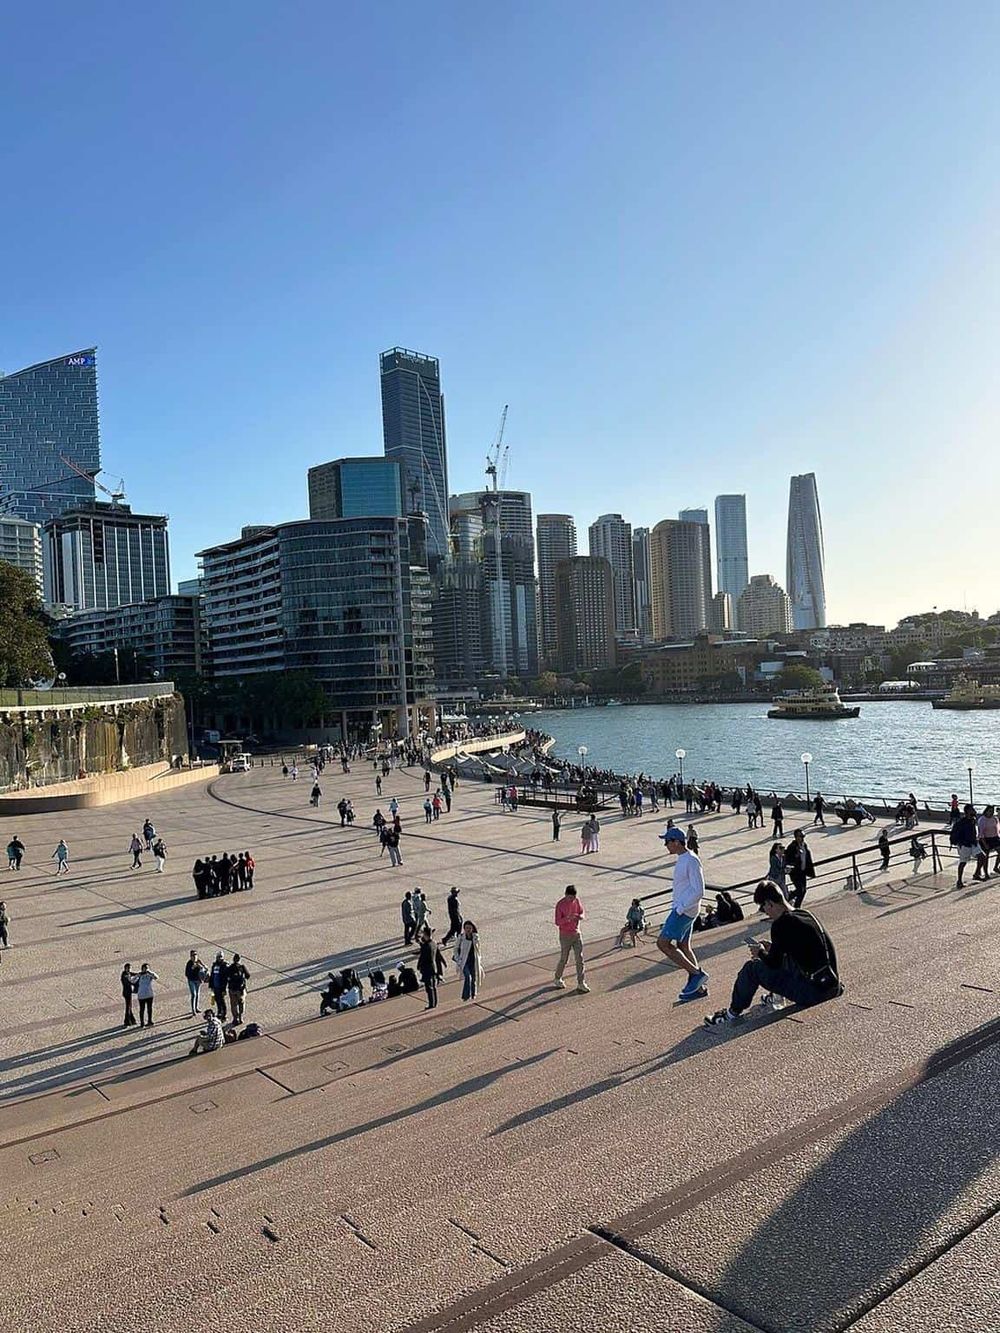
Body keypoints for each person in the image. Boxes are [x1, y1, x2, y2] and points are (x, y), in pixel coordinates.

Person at [704, 879, 843, 1026]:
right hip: (832, 985)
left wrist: (760, 952)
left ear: (769, 903)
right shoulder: (805, 914)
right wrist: (774, 947)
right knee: (784, 960)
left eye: (764, 908)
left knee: (752, 968)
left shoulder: (780, 924)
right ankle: (776, 997)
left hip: (813, 993)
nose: (766, 913)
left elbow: (773, 963)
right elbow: (800, 950)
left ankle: (731, 1014)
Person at [657, 826, 708, 1001]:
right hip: (685, 909)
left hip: (684, 911)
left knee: (663, 943)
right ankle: (698, 988)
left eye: (667, 841)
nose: (666, 845)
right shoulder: (683, 858)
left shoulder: (691, 860)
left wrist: (680, 908)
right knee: (683, 946)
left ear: (677, 842)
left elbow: (699, 890)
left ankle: (696, 975)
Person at [553, 885, 589, 993]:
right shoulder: (560, 904)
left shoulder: (577, 901)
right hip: (565, 935)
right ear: (566, 895)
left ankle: (581, 982)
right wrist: (567, 919)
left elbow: (582, 912)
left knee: (580, 958)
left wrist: (579, 916)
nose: (572, 900)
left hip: (576, 933)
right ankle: (557, 977)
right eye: (570, 898)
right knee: (564, 958)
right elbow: (557, 922)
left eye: (573, 898)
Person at [784, 829, 816, 909]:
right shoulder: (792, 847)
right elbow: (788, 859)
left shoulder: (804, 845)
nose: (802, 838)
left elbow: (807, 857)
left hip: (803, 872)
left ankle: (796, 906)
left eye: (803, 836)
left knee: (803, 890)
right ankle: (789, 900)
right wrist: (796, 856)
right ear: (796, 837)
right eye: (800, 836)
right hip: (795, 873)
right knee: (800, 890)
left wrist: (810, 871)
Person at [951, 804, 979, 888]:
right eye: (972, 809)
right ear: (968, 811)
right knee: (963, 862)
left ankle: (976, 874)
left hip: (973, 843)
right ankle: (959, 881)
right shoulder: (961, 822)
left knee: (982, 857)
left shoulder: (973, 820)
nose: (974, 811)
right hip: (964, 845)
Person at [454, 920, 484, 1001]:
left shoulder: (475, 937)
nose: (468, 930)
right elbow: (456, 949)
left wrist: (479, 959)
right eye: (466, 928)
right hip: (464, 961)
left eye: (470, 928)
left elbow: (478, 949)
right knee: (468, 977)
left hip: (473, 960)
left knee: (474, 977)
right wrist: (458, 959)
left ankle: (473, 993)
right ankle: (465, 995)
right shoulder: (461, 937)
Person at [975, 804, 1000, 881]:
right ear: (986, 811)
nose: (991, 813)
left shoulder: (995, 818)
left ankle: (996, 867)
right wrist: (985, 844)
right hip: (985, 839)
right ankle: (985, 873)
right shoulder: (982, 820)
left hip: (995, 838)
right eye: (990, 811)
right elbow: (981, 833)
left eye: (992, 811)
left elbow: (997, 828)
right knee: (985, 857)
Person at [417, 925, 439, 1009]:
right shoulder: (433, 943)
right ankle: (435, 1002)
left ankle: (431, 1003)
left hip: (427, 969)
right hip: (433, 967)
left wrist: (419, 966)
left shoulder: (426, 946)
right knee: (433, 986)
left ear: (426, 935)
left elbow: (423, 958)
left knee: (429, 987)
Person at [227, 954, 250, 1024]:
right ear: (239, 960)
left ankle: (235, 1018)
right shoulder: (242, 967)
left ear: (233, 959)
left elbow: (226, 977)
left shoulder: (230, 968)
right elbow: (248, 976)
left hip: (232, 989)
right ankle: (240, 1017)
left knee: (233, 1005)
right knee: (241, 1003)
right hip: (240, 990)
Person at [185, 950, 208, 1016]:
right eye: (193, 955)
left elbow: (204, 968)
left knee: (197, 994)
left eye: (195, 954)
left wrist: (203, 967)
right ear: (190, 956)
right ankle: (193, 1010)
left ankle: (196, 1007)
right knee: (194, 994)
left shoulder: (199, 961)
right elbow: (186, 974)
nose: (194, 956)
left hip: (198, 980)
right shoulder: (189, 963)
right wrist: (192, 968)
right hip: (191, 980)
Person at [209, 953, 229, 1019]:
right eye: (218, 957)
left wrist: (224, 989)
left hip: (221, 987)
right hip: (215, 986)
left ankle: (224, 1014)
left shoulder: (224, 965)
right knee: (217, 1000)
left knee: (222, 1001)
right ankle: (219, 1012)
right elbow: (212, 976)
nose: (219, 958)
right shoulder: (214, 965)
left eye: (221, 957)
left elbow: (225, 978)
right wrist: (211, 986)